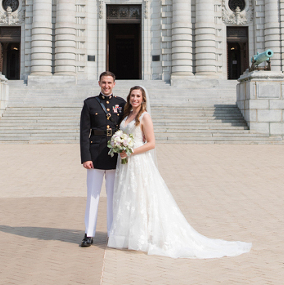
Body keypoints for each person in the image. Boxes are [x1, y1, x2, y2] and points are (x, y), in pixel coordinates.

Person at [108, 86, 252, 259]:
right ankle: (130, 235)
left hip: (138, 162)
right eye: (132, 95)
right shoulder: (127, 116)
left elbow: (152, 143)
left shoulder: (145, 117)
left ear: (143, 99)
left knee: (141, 196)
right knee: (129, 197)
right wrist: (120, 145)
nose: (135, 99)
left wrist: (130, 152)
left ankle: (142, 236)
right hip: (126, 164)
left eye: (138, 96)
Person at [79, 71, 126, 247]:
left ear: (114, 84)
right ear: (99, 83)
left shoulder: (121, 103)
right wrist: (85, 157)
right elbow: (84, 132)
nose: (106, 86)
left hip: (114, 156)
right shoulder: (90, 103)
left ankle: (112, 232)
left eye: (109, 83)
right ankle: (89, 233)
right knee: (93, 196)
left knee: (113, 197)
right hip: (95, 155)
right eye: (104, 82)